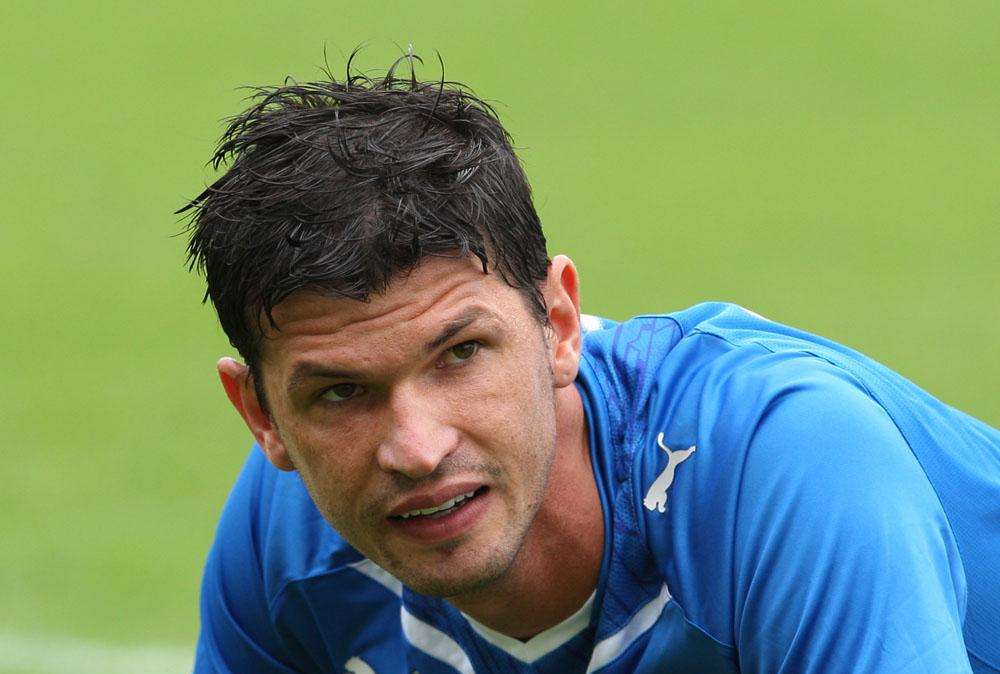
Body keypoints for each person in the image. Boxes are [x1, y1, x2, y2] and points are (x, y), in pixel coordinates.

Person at [184, 56, 1000, 674]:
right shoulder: (290, 540)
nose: (418, 448)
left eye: (461, 354)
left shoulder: (783, 463)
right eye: (340, 394)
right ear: (262, 416)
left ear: (559, 324)